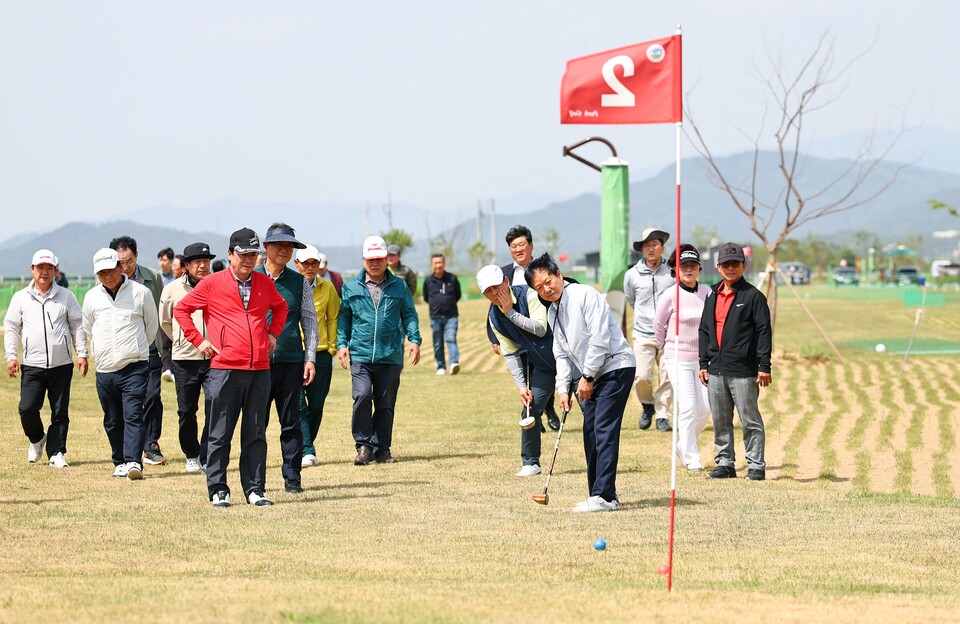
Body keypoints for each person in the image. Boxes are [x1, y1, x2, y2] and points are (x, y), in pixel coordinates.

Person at [174, 227, 288, 507]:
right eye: (243, 254)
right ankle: (218, 488)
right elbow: (181, 310)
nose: (248, 259)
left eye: (253, 254)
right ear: (229, 254)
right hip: (224, 369)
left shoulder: (264, 283)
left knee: (256, 433)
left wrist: (273, 334)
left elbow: (282, 307)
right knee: (219, 433)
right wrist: (199, 341)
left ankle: (255, 489)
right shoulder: (212, 283)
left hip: (259, 369)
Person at [526, 253, 636, 513]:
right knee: (590, 432)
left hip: (615, 367)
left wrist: (586, 377)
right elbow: (561, 353)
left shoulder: (584, 294)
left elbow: (600, 339)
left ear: (558, 274)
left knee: (603, 429)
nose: (546, 289)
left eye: (548, 281)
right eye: (539, 288)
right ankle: (599, 493)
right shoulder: (553, 311)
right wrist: (563, 389)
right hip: (594, 373)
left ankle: (604, 497)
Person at [337, 235, 421, 465]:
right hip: (360, 354)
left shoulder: (399, 286)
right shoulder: (350, 286)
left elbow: (409, 315)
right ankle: (364, 446)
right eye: (370, 259)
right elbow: (344, 317)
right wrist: (342, 344)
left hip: (390, 354)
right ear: (363, 259)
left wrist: (415, 340)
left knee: (385, 404)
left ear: (387, 260)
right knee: (362, 396)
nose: (374, 263)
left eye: (379, 259)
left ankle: (382, 449)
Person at [4, 249, 88, 468]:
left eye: (49, 268)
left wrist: (82, 353)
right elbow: (12, 328)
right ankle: (36, 438)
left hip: (62, 364)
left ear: (55, 271)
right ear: (32, 270)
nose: (44, 272)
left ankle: (57, 452)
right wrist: (11, 356)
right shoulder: (20, 297)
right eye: (40, 268)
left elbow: (77, 325)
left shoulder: (66, 297)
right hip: (32, 364)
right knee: (27, 408)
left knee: (60, 411)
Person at [698, 242, 773, 481]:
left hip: (743, 370)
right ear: (719, 267)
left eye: (735, 264)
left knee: (750, 419)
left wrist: (764, 366)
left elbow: (764, 332)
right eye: (726, 264)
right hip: (716, 369)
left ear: (743, 265)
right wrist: (703, 363)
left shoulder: (753, 296)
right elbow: (704, 330)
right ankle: (725, 463)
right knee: (720, 419)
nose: (730, 268)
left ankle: (756, 466)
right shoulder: (712, 294)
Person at [82, 248, 159, 480]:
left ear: (120, 267)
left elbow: (151, 327)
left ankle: (134, 461)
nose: (108, 276)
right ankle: (119, 461)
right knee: (112, 419)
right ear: (97, 274)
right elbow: (88, 328)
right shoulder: (91, 297)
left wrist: (135, 349)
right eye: (102, 272)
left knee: (133, 414)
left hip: (134, 366)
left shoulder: (141, 292)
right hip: (105, 369)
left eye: (111, 270)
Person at [255, 223, 318, 494]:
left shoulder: (299, 282)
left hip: (291, 362)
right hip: (256, 365)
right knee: (256, 425)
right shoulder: (250, 277)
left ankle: (293, 478)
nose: (283, 249)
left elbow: (310, 322)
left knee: (291, 423)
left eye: (289, 245)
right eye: (278, 244)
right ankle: (255, 481)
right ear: (266, 247)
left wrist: (310, 358)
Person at [477, 264, 554, 477]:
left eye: (496, 287)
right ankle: (531, 462)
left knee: (590, 406)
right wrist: (521, 386)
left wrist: (510, 312)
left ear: (506, 281)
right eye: (488, 291)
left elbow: (540, 329)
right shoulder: (494, 317)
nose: (494, 293)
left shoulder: (529, 294)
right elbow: (510, 353)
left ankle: (601, 458)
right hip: (543, 368)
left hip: (569, 359)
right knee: (530, 408)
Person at [487, 225, 561, 431]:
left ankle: (550, 410)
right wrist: (495, 338)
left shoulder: (541, 270)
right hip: (518, 339)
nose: (518, 249)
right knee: (530, 381)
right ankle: (537, 418)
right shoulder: (501, 274)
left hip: (545, 335)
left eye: (521, 244)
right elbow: (494, 310)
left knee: (548, 372)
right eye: (513, 246)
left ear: (530, 246)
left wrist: (512, 312)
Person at [110, 236, 168, 465]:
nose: (124, 267)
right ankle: (131, 445)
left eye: (129, 261)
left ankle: (151, 444)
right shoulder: (107, 279)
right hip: (122, 350)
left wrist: (164, 346)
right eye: (120, 262)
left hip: (150, 346)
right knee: (127, 402)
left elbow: (161, 311)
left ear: (137, 256)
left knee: (153, 395)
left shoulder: (152, 277)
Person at [159, 242, 216, 474]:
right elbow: (165, 322)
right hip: (184, 358)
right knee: (186, 410)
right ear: (186, 265)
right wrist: (184, 340)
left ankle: (206, 454)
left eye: (206, 261)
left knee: (216, 406)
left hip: (215, 357)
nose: (203, 266)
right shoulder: (172, 289)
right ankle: (191, 454)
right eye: (197, 262)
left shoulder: (217, 285)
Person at [654, 244, 711, 473]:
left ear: (699, 269)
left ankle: (683, 445)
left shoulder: (707, 293)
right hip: (677, 358)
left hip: (703, 360)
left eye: (693, 266)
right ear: (676, 270)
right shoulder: (670, 295)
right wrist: (666, 347)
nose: (688, 270)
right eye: (683, 266)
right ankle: (691, 456)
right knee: (687, 408)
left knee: (705, 409)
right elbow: (658, 326)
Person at [624, 227, 675, 432]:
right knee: (641, 376)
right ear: (642, 250)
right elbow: (631, 300)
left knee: (667, 376)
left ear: (662, 248)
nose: (651, 249)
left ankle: (663, 415)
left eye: (655, 245)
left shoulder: (672, 272)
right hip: (643, 333)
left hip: (669, 333)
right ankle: (647, 406)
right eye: (647, 246)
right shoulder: (632, 275)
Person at [295, 244, 340, 468]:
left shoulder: (328, 287)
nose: (311, 267)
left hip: (321, 352)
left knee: (316, 404)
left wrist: (332, 347)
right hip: (296, 353)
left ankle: (305, 444)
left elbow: (333, 318)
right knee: (298, 404)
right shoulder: (292, 286)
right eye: (306, 263)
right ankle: (306, 449)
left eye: (315, 263)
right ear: (297, 264)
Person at [422, 254, 462, 375]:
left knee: (450, 338)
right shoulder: (428, 280)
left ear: (444, 264)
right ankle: (441, 366)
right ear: (432, 265)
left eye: (440, 263)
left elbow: (457, 295)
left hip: (451, 315)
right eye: (435, 263)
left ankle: (454, 363)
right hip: (435, 316)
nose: (438, 265)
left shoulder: (452, 278)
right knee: (438, 342)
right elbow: (426, 297)